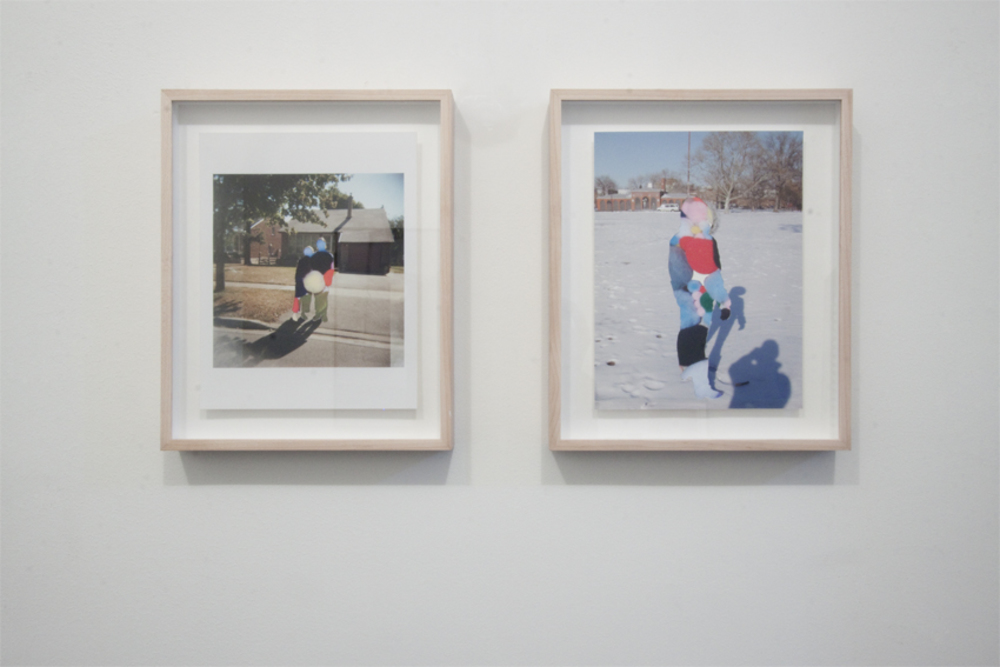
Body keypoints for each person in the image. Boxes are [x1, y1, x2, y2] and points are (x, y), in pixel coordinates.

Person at [668, 197, 732, 399]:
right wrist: (723, 300)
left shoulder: (677, 238)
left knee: (688, 325)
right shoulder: (697, 241)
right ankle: (701, 385)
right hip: (699, 290)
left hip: (686, 289)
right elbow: (711, 272)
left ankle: (686, 366)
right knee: (698, 328)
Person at [291, 238, 335, 322]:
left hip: (319, 280)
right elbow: (331, 269)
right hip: (320, 280)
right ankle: (321, 315)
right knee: (321, 298)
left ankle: (319, 315)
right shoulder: (329, 256)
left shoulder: (318, 256)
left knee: (319, 298)